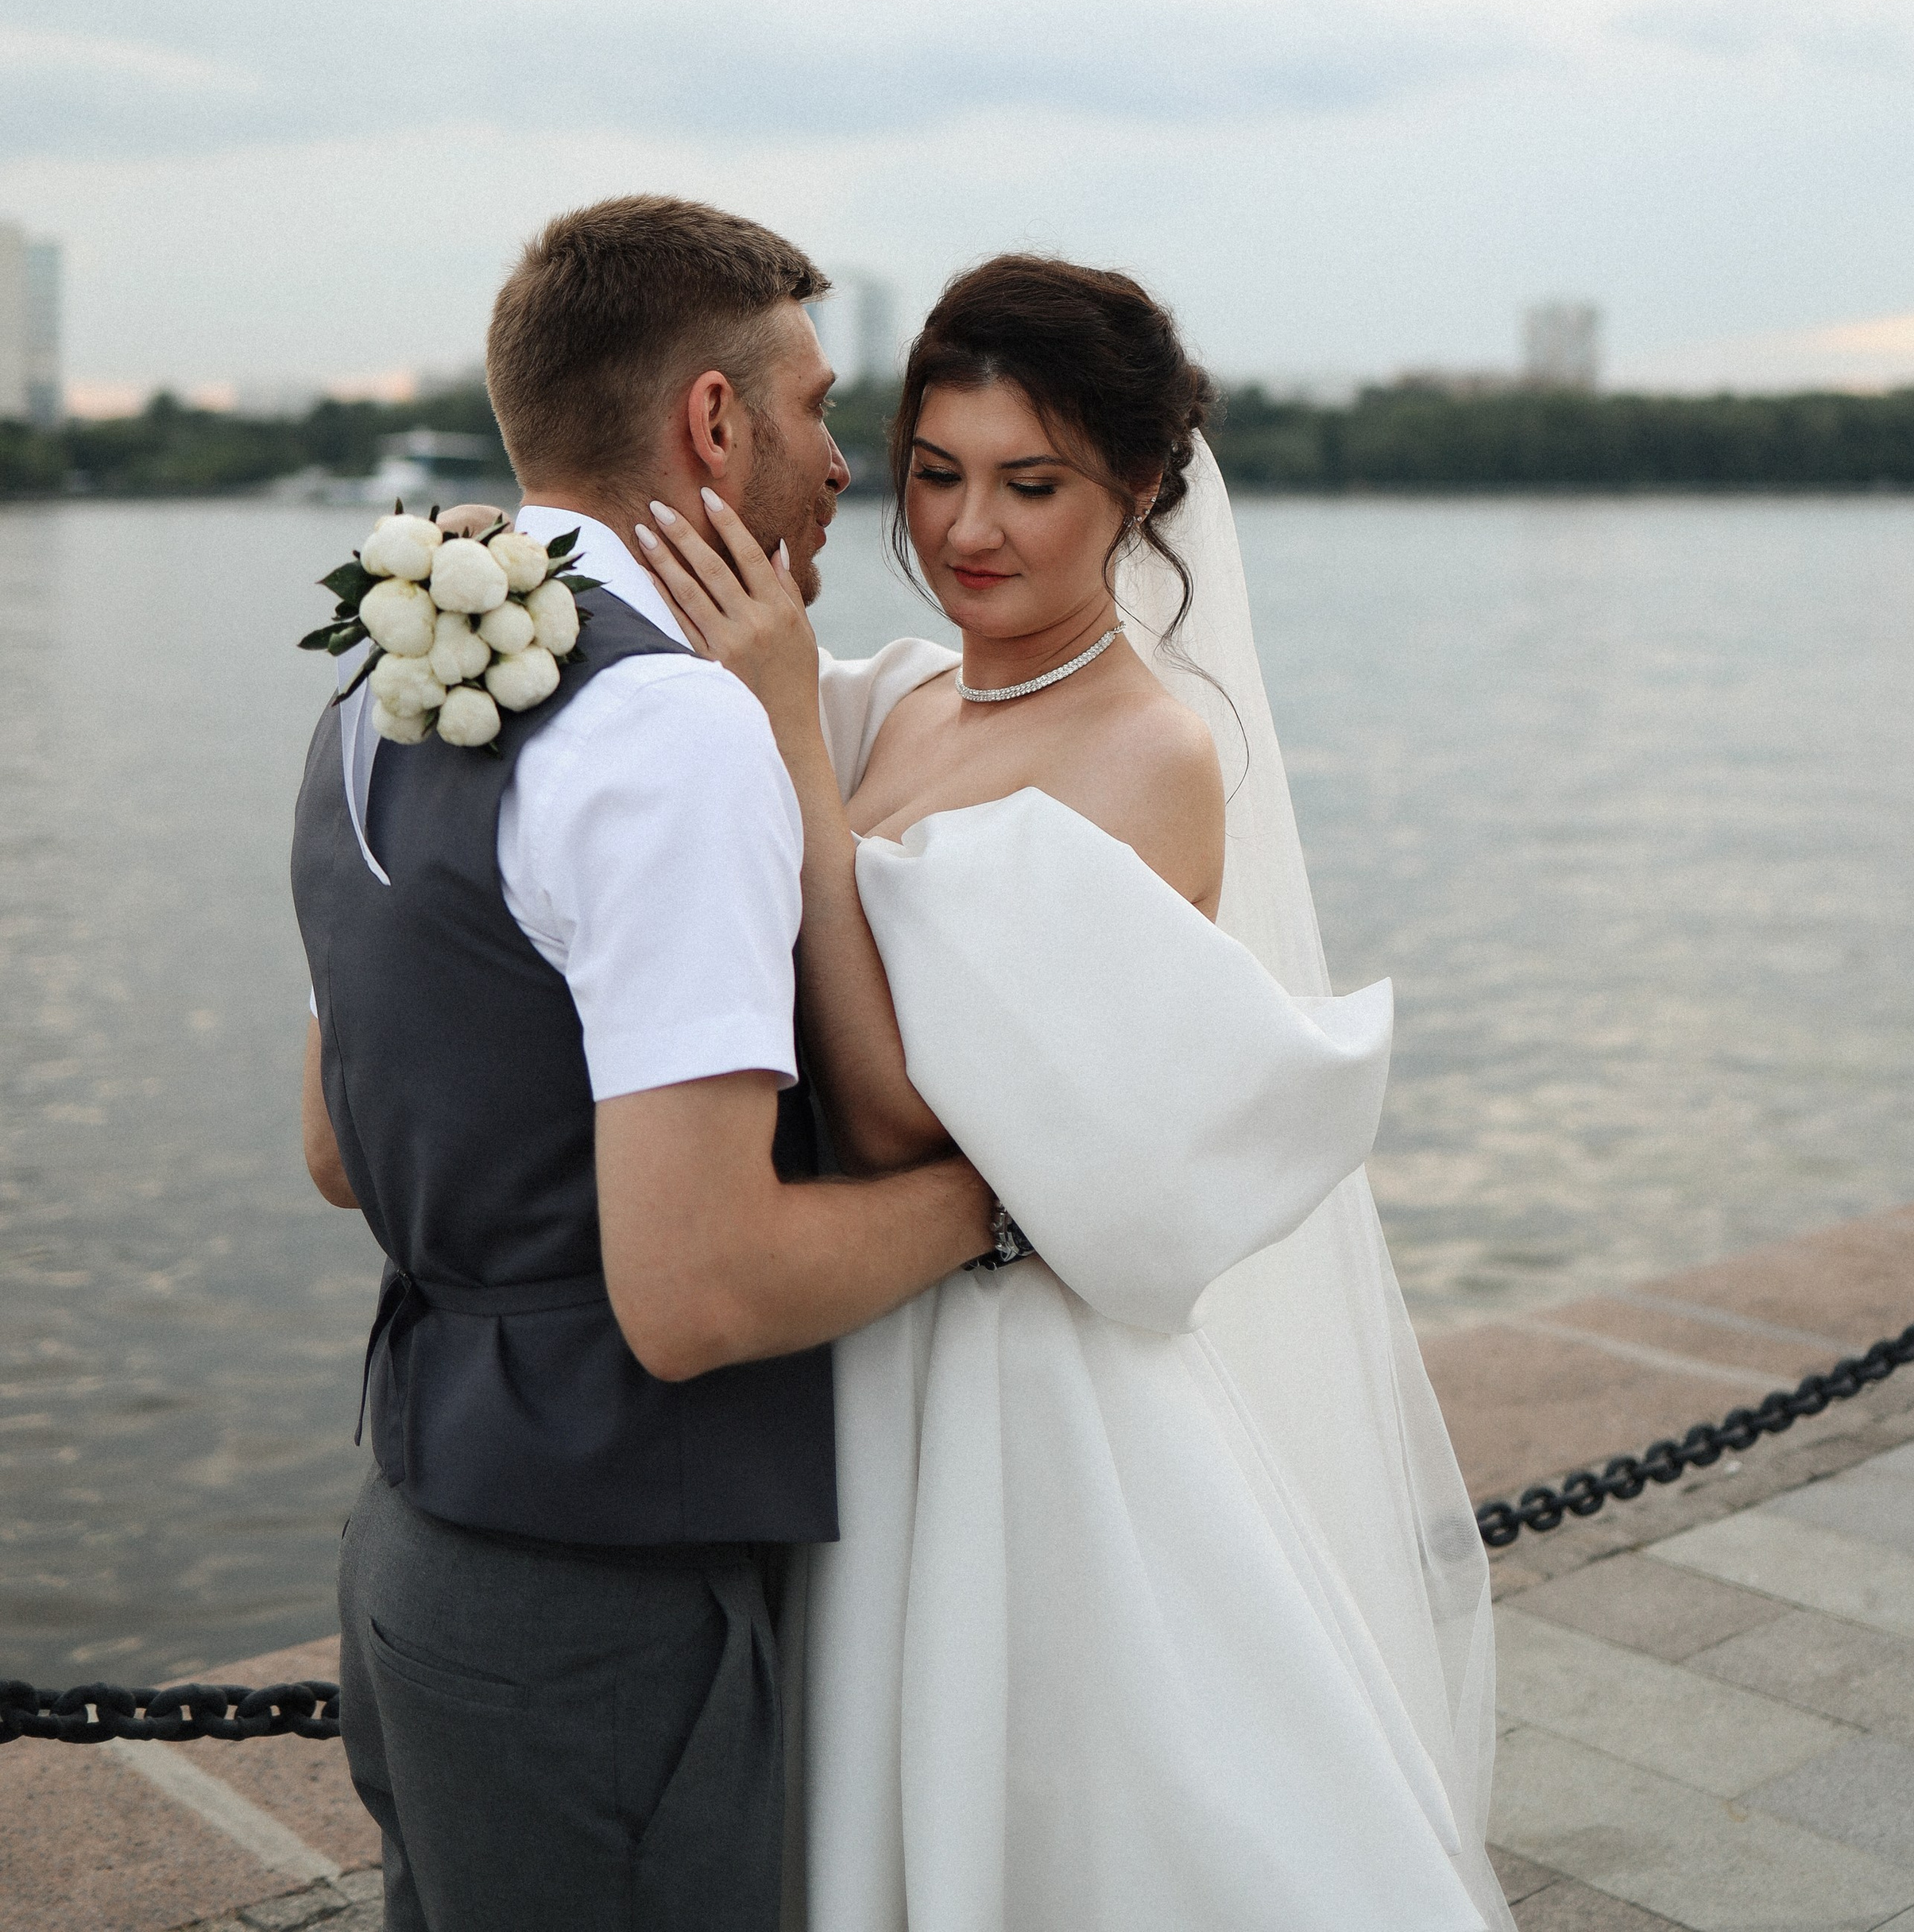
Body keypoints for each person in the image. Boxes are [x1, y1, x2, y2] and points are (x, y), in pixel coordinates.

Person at [634, 252, 1512, 1932]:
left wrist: (795, 749)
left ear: (1142, 489)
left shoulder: (1149, 752)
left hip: (1009, 1394)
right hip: (857, 1342)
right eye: (934, 472)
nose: (969, 529)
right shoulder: (900, 697)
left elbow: (897, 1117)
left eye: (1030, 485)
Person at [291, 195, 996, 1932]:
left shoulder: (383, 669)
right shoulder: (669, 727)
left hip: (414, 1544)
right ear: (712, 422)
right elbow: (695, 1292)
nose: (843, 463)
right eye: (817, 409)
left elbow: (337, 1147)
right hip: (595, 1609)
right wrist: (995, 1195)